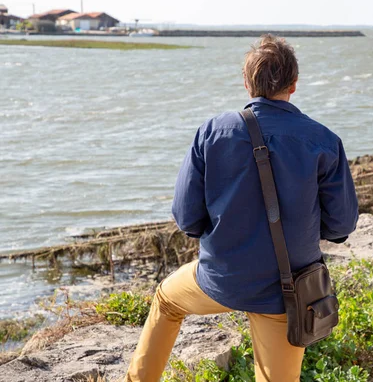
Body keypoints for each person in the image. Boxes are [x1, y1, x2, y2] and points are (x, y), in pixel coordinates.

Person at [124, 34, 359, 382]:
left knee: (167, 301)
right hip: (287, 290)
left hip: (221, 279)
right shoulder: (323, 140)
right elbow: (341, 225)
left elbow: (187, 217)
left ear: (247, 85)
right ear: (294, 85)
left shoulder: (212, 132)